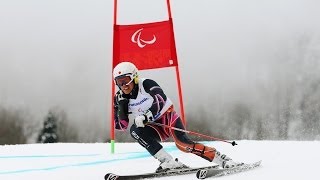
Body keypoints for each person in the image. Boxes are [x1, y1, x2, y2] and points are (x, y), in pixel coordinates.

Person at [113, 61, 241, 172]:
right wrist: (122, 107)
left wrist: (147, 116)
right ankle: (168, 162)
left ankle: (222, 160)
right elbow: (121, 126)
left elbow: (160, 100)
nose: (123, 85)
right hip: (154, 127)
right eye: (119, 82)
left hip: (167, 119)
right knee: (134, 130)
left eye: (126, 80)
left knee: (183, 145)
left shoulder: (146, 84)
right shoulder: (119, 98)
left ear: (134, 77)